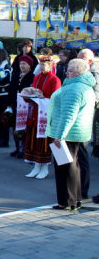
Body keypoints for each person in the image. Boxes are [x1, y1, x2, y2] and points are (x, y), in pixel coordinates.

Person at [46, 59, 95, 211]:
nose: (66, 72)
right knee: (74, 167)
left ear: (79, 73)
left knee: (65, 168)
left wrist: (60, 135)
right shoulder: (84, 86)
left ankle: (66, 201)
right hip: (78, 132)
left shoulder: (73, 88)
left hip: (67, 134)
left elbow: (68, 114)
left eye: (70, 70)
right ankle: (76, 198)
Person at [22, 55, 62, 179]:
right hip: (34, 114)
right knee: (33, 140)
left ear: (50, 65)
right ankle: (36, 166)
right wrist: (28, 95)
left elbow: (55, 99)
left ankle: (44, 167)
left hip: (45, 115)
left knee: (43, 141)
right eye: (40, 64)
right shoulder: (37, 77)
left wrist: (42, 98)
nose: (41, 66)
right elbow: (34, 93)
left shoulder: (54, 79)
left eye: (44, 64)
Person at [77, 49, 99, 201]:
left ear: (89, 61)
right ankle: (77, 189)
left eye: (81, 59)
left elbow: (94, 99)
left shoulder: (93, 76)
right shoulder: (81, 75)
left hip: (87, 120)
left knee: (82, 155)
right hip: (81, 119)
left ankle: (83, 189)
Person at [8, 55, 35, 158]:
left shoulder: (31, 77)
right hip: (15, 104)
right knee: (15, 127)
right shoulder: (15, 75)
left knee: (24, 127)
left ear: (29, 66)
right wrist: (9, 104)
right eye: (21, 64)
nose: (22, 66)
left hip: (25, 106)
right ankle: (17, 148)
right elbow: (11, 90)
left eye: (25, 64)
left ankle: (24, 149)